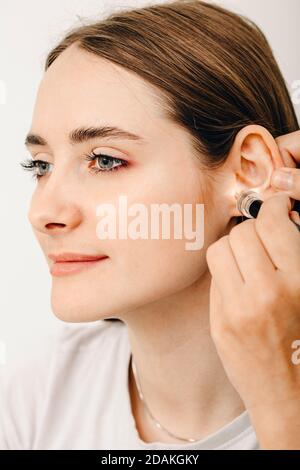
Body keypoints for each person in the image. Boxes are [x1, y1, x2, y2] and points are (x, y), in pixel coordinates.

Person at [0, 0, 299, 450]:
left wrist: (283, 403)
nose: (44, 212)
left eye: (104, 160)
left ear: (249, 170)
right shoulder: (34, 399)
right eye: (40, 165)